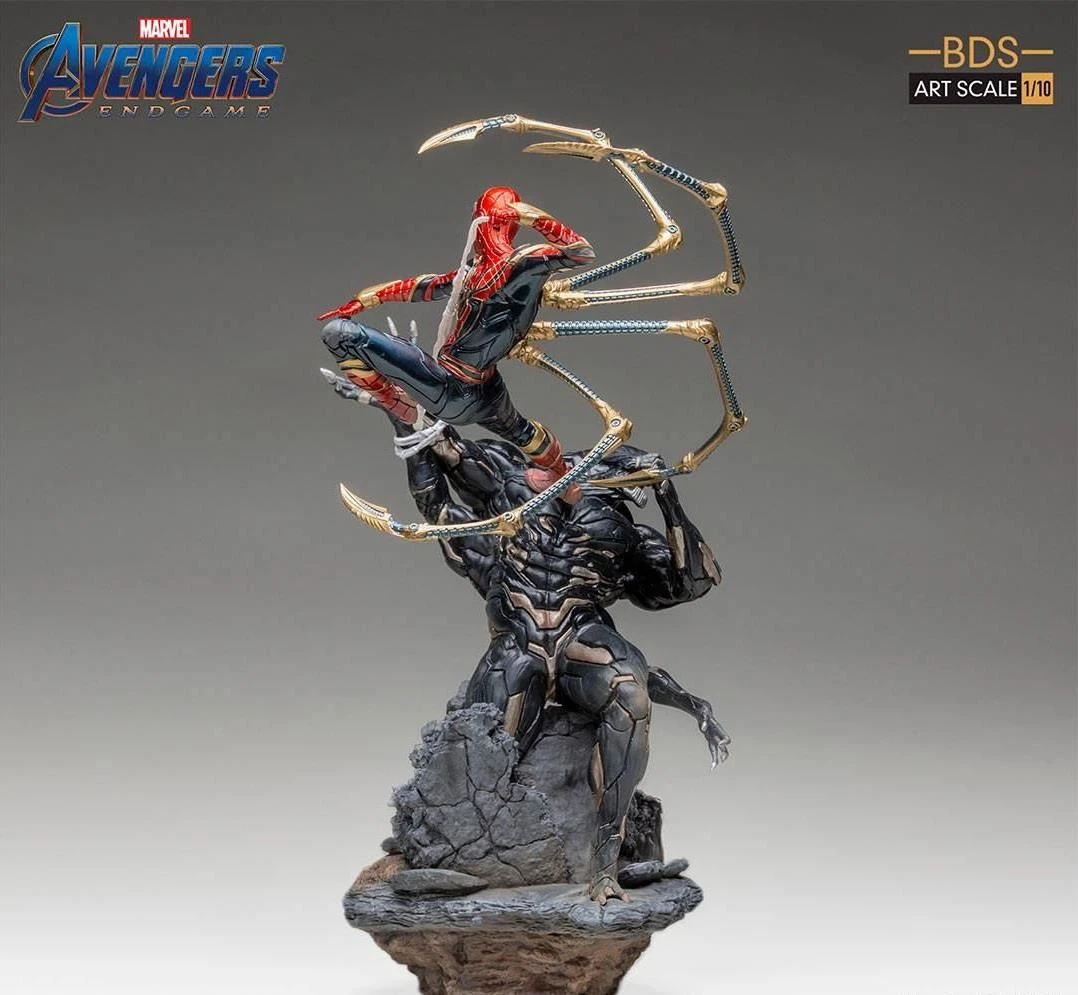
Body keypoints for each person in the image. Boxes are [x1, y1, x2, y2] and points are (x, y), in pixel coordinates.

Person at [324, 369, 731, 904]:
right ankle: (455, 847)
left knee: (630, 695)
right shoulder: (510, 485)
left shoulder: (618, 530)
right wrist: (396, 407)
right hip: (517, 635)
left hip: (580, 635)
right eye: (543, 460)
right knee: (490, 738)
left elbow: (692, 581)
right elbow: (439, 460)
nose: (549, 469)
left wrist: (668, 495)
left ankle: (605, 862)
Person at [318, 186, 595, 492]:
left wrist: (530, 215)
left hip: (452, 391)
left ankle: (395, 401)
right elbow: (428, 286)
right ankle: (562, 477)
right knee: (522, 431)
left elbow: (580, 252)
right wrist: (367, 298)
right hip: (489, 391)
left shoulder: (521, 264)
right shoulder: (476, 270)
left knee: (338, 334)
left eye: (482, 216)